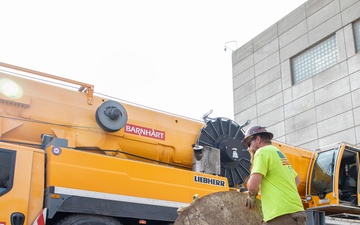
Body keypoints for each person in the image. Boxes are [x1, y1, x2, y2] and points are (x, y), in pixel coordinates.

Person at [243, 125, 306, 225]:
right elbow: (297, 180)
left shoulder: (262, 152)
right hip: (298, 212)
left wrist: (251, 196)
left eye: (249, 144)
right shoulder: (279, 153)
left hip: (281, 214)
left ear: (258, 139)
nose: (248, 148)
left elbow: (252, 186)